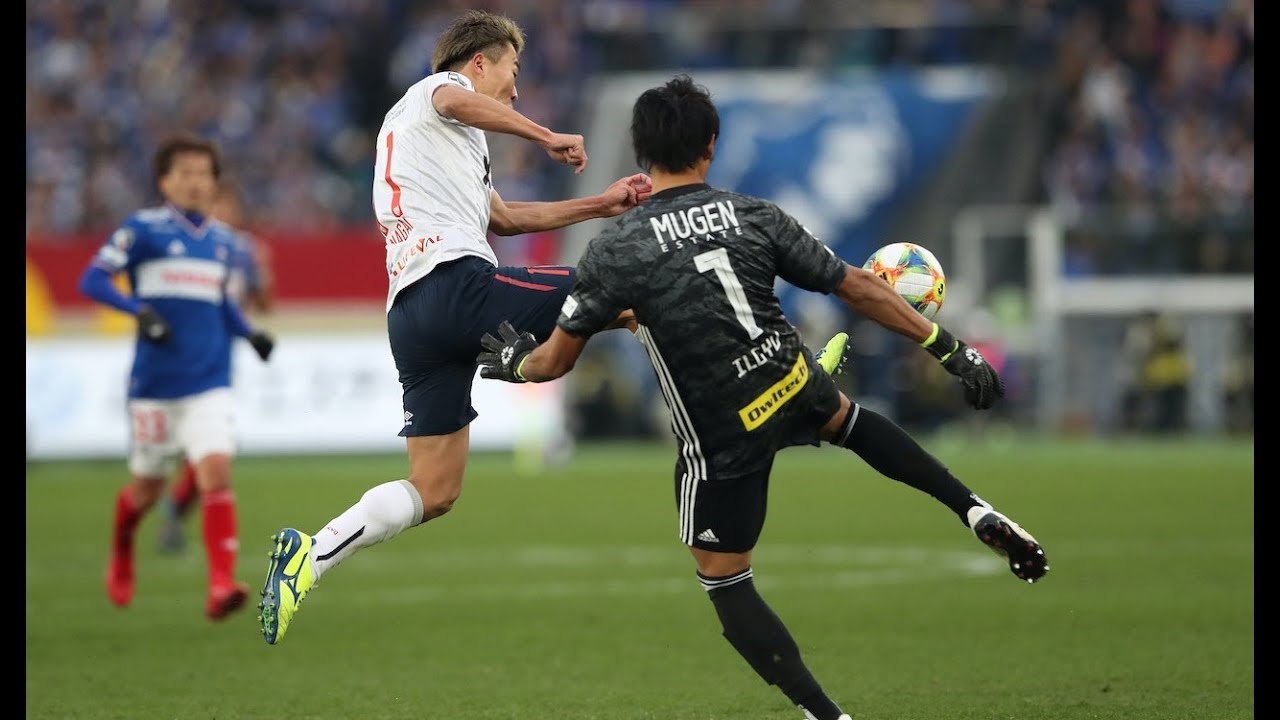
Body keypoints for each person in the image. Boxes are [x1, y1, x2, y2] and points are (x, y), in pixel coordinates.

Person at [474, 74, 1049, 720]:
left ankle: (827, 715)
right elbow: (856, 285)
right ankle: (972, 510)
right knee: (848, 421)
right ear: (710, 147)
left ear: (641, 154)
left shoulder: (618, 250)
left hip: (722, 431)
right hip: (788, 376)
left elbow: (555, 359)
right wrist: (950, 347)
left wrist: (515, 363)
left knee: (725, 579)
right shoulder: (754, 214)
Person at [254, 8, 656, 646]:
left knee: (435, 488)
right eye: (513, 71)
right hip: (454, 284)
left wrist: (601, 204)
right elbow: (454, 100)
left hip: (412, 315)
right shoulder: (436, 95)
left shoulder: (447, 145)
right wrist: (546, 135)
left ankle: (313, 552)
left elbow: (506, 219)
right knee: (631, 294)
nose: (517, 88)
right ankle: (753, 379)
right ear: (479, 63)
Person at [78, 132, 277, 621]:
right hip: (154, 386)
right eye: (183, 173)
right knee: (145, 490)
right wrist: (138, 311)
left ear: (214, 183)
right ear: (165, 181)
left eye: (203, 174)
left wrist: (249, 335)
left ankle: (220, 584)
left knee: (215, 472)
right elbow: (92, 279)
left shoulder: (226, 243)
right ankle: (123, 547)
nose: (194, 182)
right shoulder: (141, 230)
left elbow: (220, 301)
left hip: (208, 381)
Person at [156, 178, 274, 554]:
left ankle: (175, 511)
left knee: (209, 445)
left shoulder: (243, 248)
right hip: (182, 353)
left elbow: (263, 303)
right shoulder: (190, 245)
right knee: (199, 444)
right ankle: (173, 508)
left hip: (221, 357)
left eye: (228, 205)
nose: (224, 212)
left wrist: (265, 274)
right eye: (217, 205)